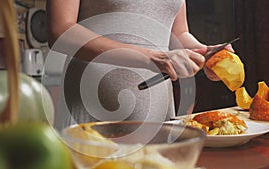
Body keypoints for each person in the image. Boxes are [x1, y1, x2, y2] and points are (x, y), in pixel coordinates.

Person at [46, 0, 234, 125]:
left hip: (158, 111)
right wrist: (151, 58)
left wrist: (205, 52)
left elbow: (177, 34)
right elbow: (60, 30)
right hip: (92, 105)